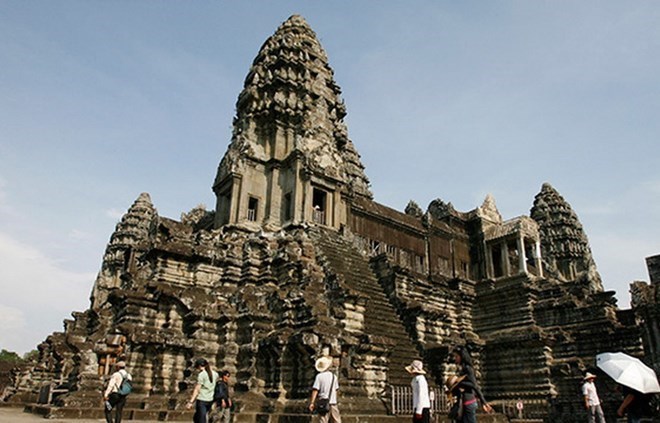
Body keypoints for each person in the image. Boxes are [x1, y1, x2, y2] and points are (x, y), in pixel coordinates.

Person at [452, 347, 493, 423]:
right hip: (463, 401)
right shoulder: (462, 369)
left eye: (456, 356)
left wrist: (484, 402)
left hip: (468, 402)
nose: (455, 359)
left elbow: (474, 385)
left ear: (462, 357)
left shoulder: (468, 368)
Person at [308, 356, 341, 423]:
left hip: (323, 402)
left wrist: (312, 402)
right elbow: (336, 390)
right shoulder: (334, 377)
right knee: (336, 420)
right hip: (333, 402)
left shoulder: (319, 376)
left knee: (323, 421)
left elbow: (315, 390)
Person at [186, 358, 219, 423]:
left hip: (202, 400)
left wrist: (190, 402)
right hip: (210, 399)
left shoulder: (201, 375)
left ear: (199, 366)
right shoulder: (215, 374)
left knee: (201, 419)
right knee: (198, 417)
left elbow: (197, 389)